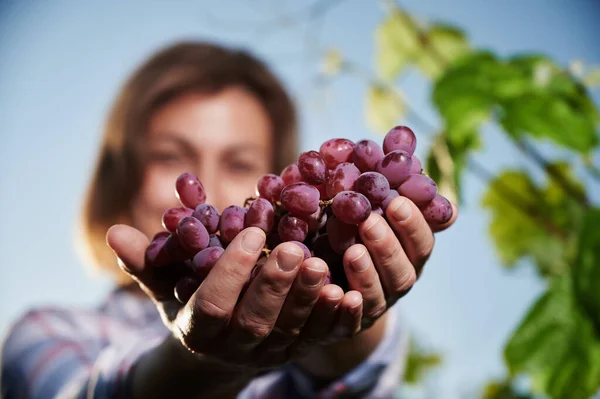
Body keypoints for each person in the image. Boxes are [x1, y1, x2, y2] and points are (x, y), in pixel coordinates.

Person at [1, 41, 456, 399]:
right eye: (170, 156)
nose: (207, 184)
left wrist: (345, 332)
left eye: (239, 163)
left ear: (280, 185)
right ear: (121, 178)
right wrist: (198, 369)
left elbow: (355, 385)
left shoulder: (295, 353)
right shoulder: (47, 332)